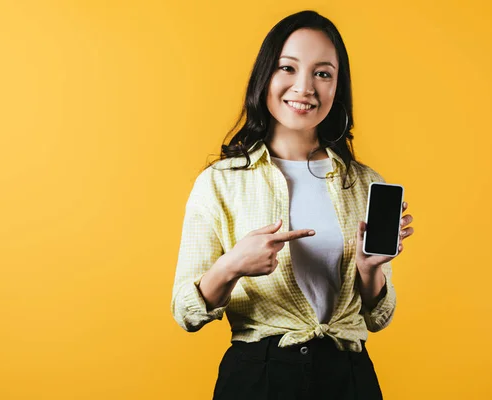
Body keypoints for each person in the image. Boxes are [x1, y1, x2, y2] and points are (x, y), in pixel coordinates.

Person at [171, 10, 414, 400]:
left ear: (338, 88)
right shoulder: (219, 183)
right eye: (288, 68)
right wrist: (233, 264)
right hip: (259, 378)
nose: (304, 88)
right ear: (265, 76)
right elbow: (186, 312)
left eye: (323, 73)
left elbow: (378, 317)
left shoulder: (366, 183)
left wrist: (370, 271)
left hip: (348, 377)